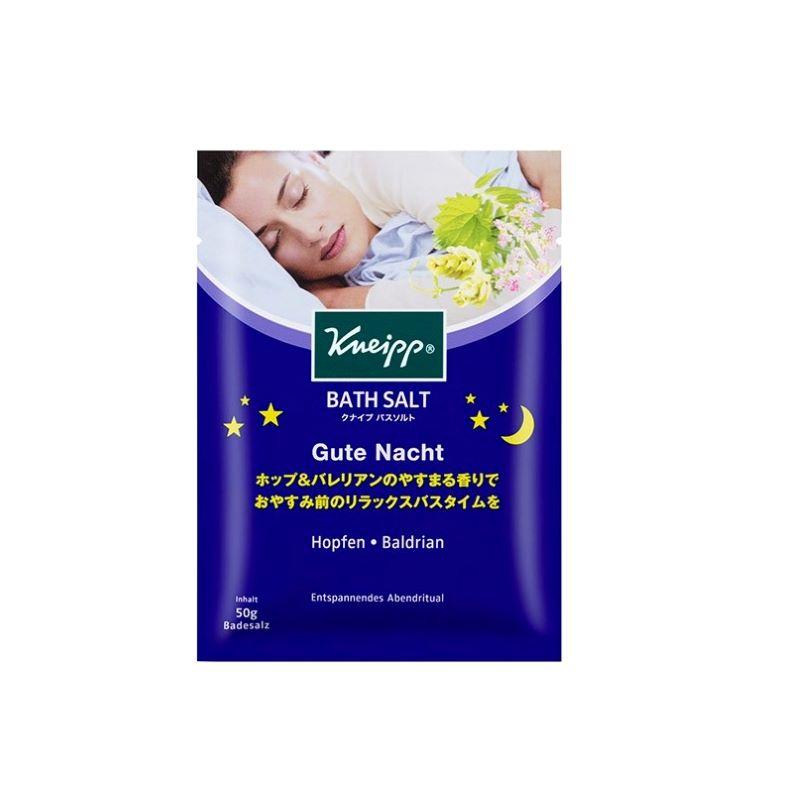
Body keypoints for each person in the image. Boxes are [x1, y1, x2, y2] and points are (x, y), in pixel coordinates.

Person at [197, 151, 560, 308]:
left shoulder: (377, 160)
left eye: (298, 196)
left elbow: (519, 270)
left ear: (312, 157)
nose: (310, 233)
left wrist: (338, 304)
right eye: (273, 243)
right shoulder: (313, 292)